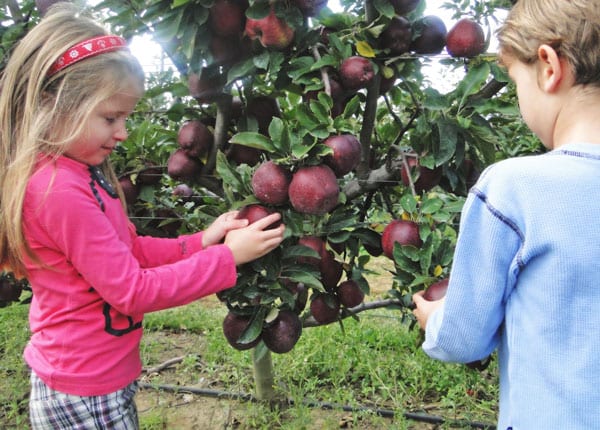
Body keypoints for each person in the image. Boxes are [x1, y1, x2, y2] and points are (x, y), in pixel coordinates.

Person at [0, 4, 285, 429]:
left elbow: (129, 250)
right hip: (84, 389)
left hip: (96, 379)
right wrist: (227, 259)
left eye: (126, 117)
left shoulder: (81, 175)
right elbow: (131, 291)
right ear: (52, 105)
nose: (123, 132)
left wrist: (201, 241)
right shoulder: (59, 190)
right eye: (110, 117)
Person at [412, 1, 600, 429]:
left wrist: (434, 321)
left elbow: (464, 339)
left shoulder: (514, 188)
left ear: (549, 67)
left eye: (516, 81)